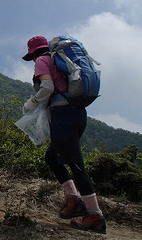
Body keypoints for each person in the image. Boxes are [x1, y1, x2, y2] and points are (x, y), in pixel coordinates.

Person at [22, 36, 106, 234]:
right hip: (77, 114)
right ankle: (74, 200)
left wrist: (31, 103)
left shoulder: (43, 61)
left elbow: (47, 87)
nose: (33, 61)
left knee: (76, 165)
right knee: (52, 157)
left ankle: (94, 215)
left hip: (64, 117)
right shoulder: (58, 61)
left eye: (31, 57)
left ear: (34, 53)